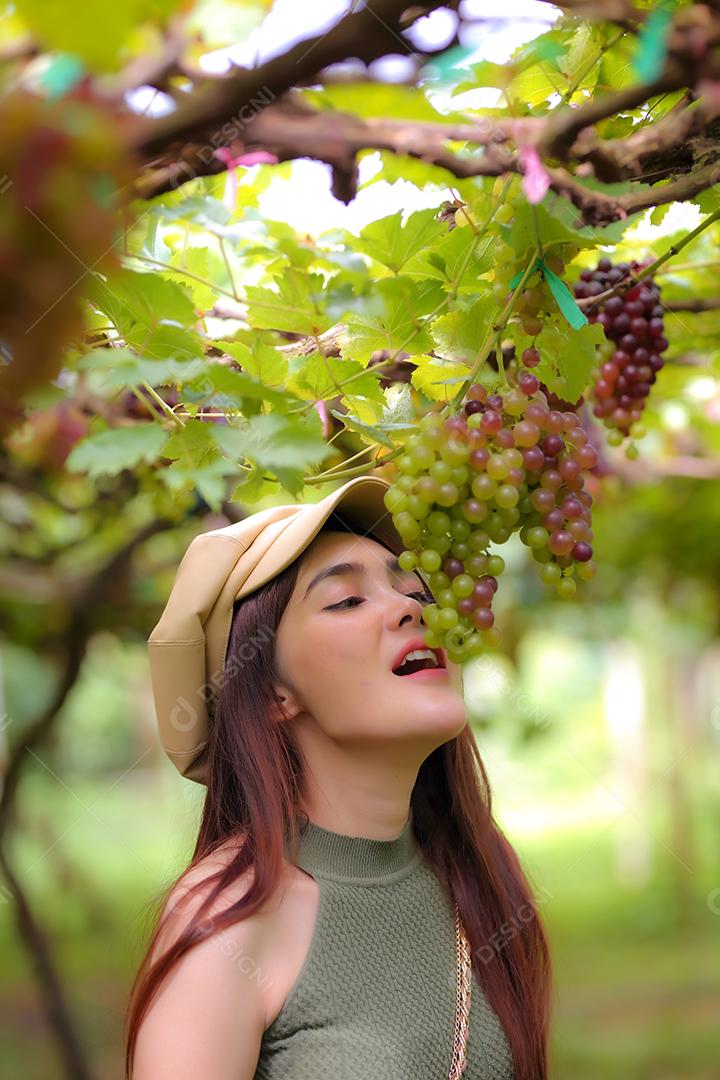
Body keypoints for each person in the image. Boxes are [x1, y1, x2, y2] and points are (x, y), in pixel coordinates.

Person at [125, 474, 552, 1079]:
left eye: (418, 594)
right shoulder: (227, 917)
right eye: (347, 601)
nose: (411, 609)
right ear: (273, 693)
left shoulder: (479, 876)